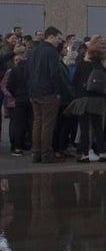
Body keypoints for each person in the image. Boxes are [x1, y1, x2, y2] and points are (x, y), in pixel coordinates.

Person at [27, 26, 64, 164]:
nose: (59, 42)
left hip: (34, 91)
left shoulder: (33, 51)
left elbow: (28, 72)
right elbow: (54, 73)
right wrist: (58, 91)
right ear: (51, 36)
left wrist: (30, 90)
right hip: (48, 92)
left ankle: (36, 153)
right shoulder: (51, 52)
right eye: (58, 38)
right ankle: (46, 154)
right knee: (47, 124)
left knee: (37, 123)